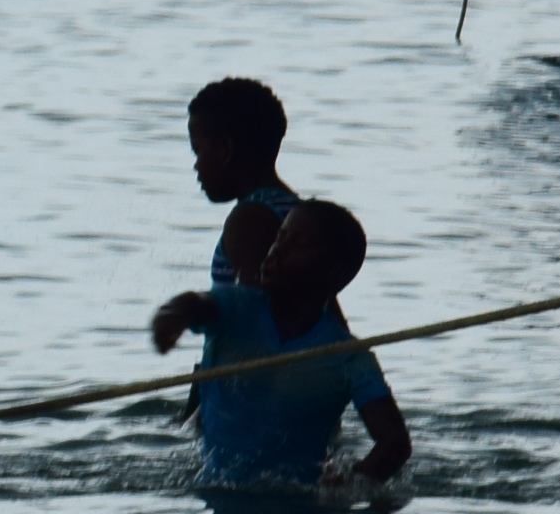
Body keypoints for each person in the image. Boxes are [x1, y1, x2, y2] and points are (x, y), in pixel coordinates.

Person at [150, 197, 411, 490]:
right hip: (217, 496)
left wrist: (350, 484)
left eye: (298, 244)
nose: (277, 250)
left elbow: (395, 442)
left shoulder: (347, 357)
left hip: (303, 508)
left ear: (333, 273)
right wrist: (171, 315)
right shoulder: (233, 307)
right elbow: (195, 303)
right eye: (280, 237)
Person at [186, 76, 300, 291]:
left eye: (198, 151)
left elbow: (256, 304)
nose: (196, 166)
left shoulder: (250, 220)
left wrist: (192, 306)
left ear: (225, 149)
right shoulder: (296, 211)